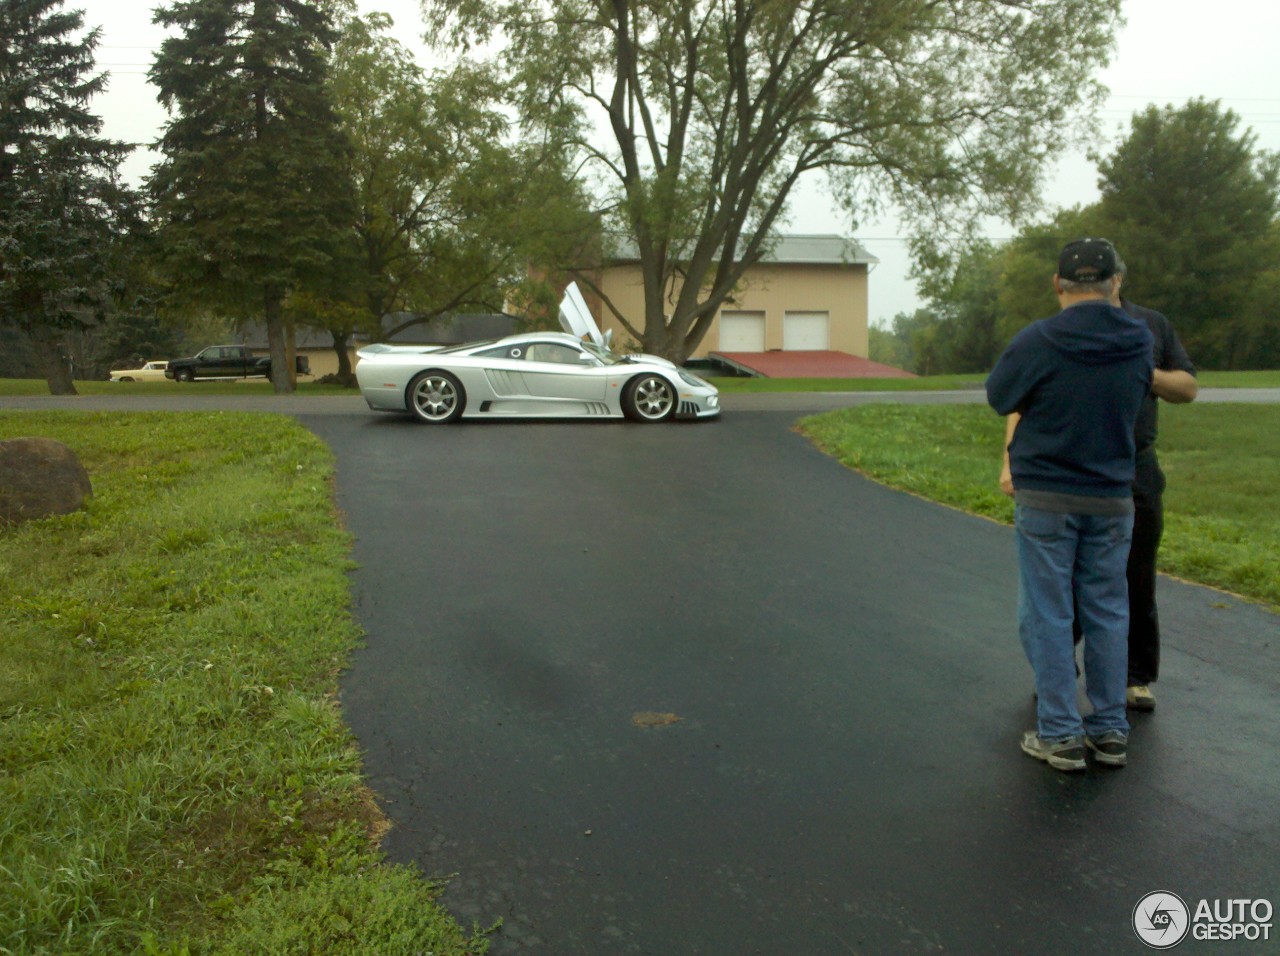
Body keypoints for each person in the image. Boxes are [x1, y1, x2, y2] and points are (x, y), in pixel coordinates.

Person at [1000, 261, 1199, 713]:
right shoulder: (1056, 332)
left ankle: (1133, 678)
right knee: (1058, 584)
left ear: (1118, 281)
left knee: (1134, 577)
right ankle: (1058, 675)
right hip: (1066, 467)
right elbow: (1018, 399)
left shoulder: (1148, 326)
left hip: (1134, 467)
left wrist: (1139, 371)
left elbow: (1187, 387)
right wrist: (1009, 461)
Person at [986, 238, 1153, 772]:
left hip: (1047, 495)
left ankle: (1060, 733)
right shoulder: (1139, 338)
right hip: (1111, 495)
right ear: (1115, 283)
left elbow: (999, 395)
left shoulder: (1040, 339)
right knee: (1107, 611)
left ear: (1058, 284)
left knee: (1050, 613)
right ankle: (1108, 731)